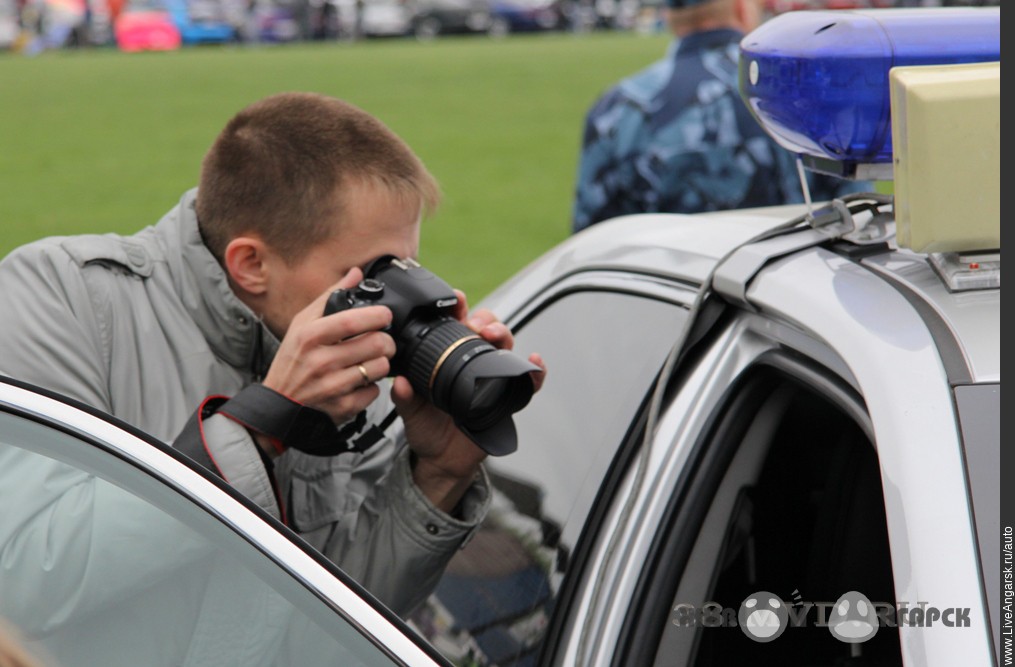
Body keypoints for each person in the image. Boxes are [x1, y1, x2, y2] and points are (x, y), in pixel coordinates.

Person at [0, 92, 545, 619]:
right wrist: (259, 424)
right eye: (373, 275)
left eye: (406, 267)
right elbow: (26, 584)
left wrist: (438, 476)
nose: (395, 301)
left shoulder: (357, 366)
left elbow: (334, 629)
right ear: (251, 264)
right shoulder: (63, 301)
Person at [571, 0, 870, 233]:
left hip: (673, 288)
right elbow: (858, 213)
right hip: (789, 284)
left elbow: (594, 241)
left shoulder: (621, 107)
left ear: (670, 16)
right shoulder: (806, 90)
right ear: (741, 8)